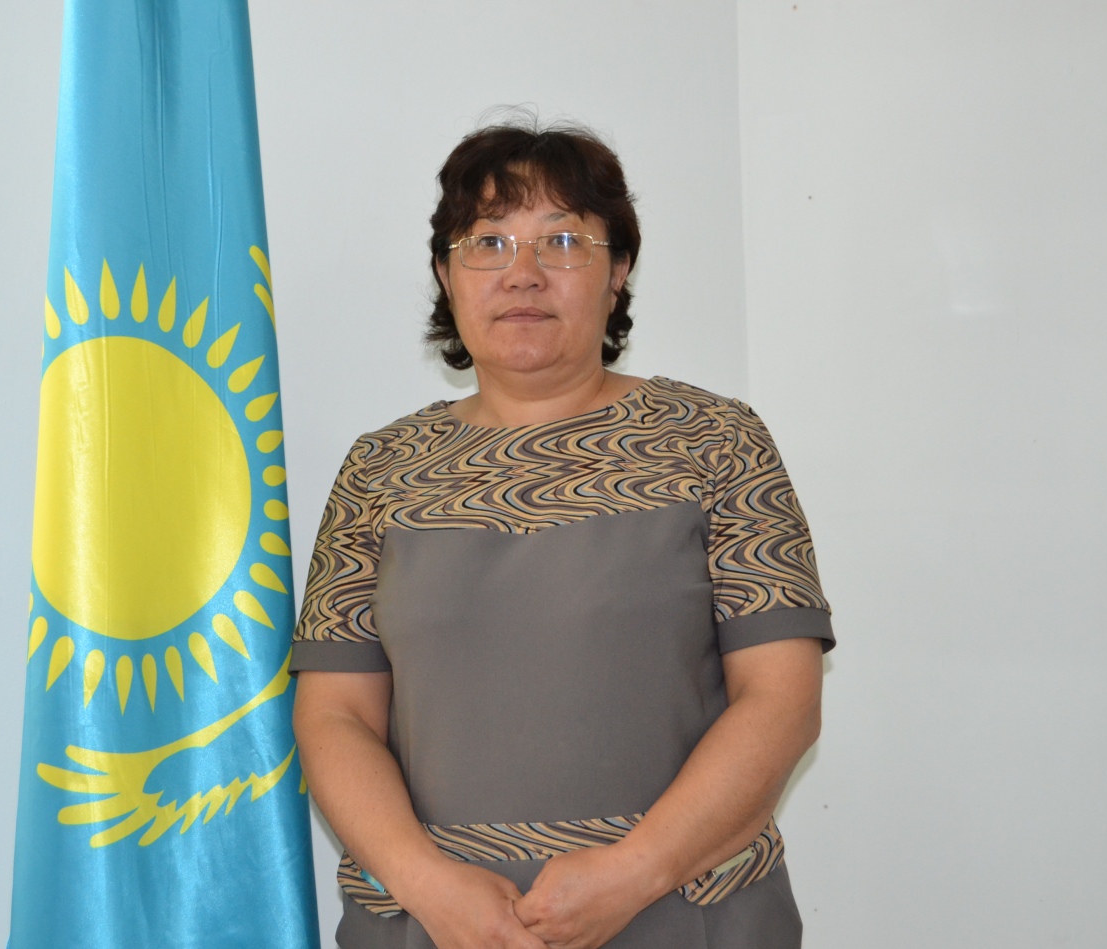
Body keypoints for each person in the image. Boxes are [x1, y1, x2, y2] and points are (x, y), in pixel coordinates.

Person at [290, 119, 834, 949]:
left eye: (565, 240)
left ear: (618, 272)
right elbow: (334, 716)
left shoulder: (717, 441)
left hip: (682, 916)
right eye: (488, 242)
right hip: (433, 925)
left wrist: (634, 873)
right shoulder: (379, 468)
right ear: (445, 274)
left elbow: (782, 701)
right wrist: (429, 885)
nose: (524, 273)